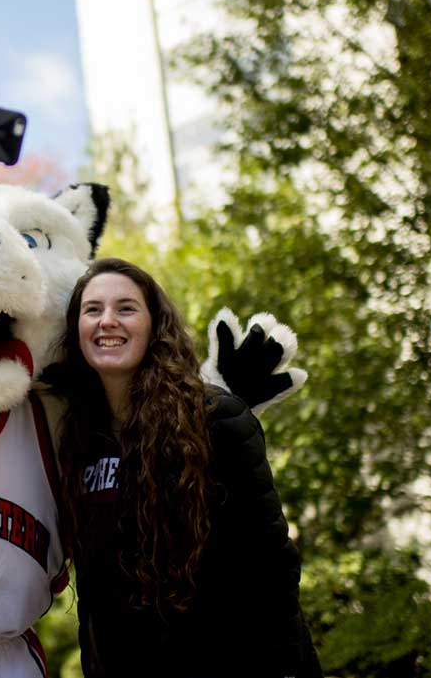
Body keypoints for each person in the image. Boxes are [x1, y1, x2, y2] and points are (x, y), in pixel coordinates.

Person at [55, 258, 323, 678]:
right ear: (76, 330)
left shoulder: (215, 418)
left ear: (154, 325)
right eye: (93, 310)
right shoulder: (79, 440)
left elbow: (270, 565)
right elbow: (94, 590)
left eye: (126, 308)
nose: (108, 321)